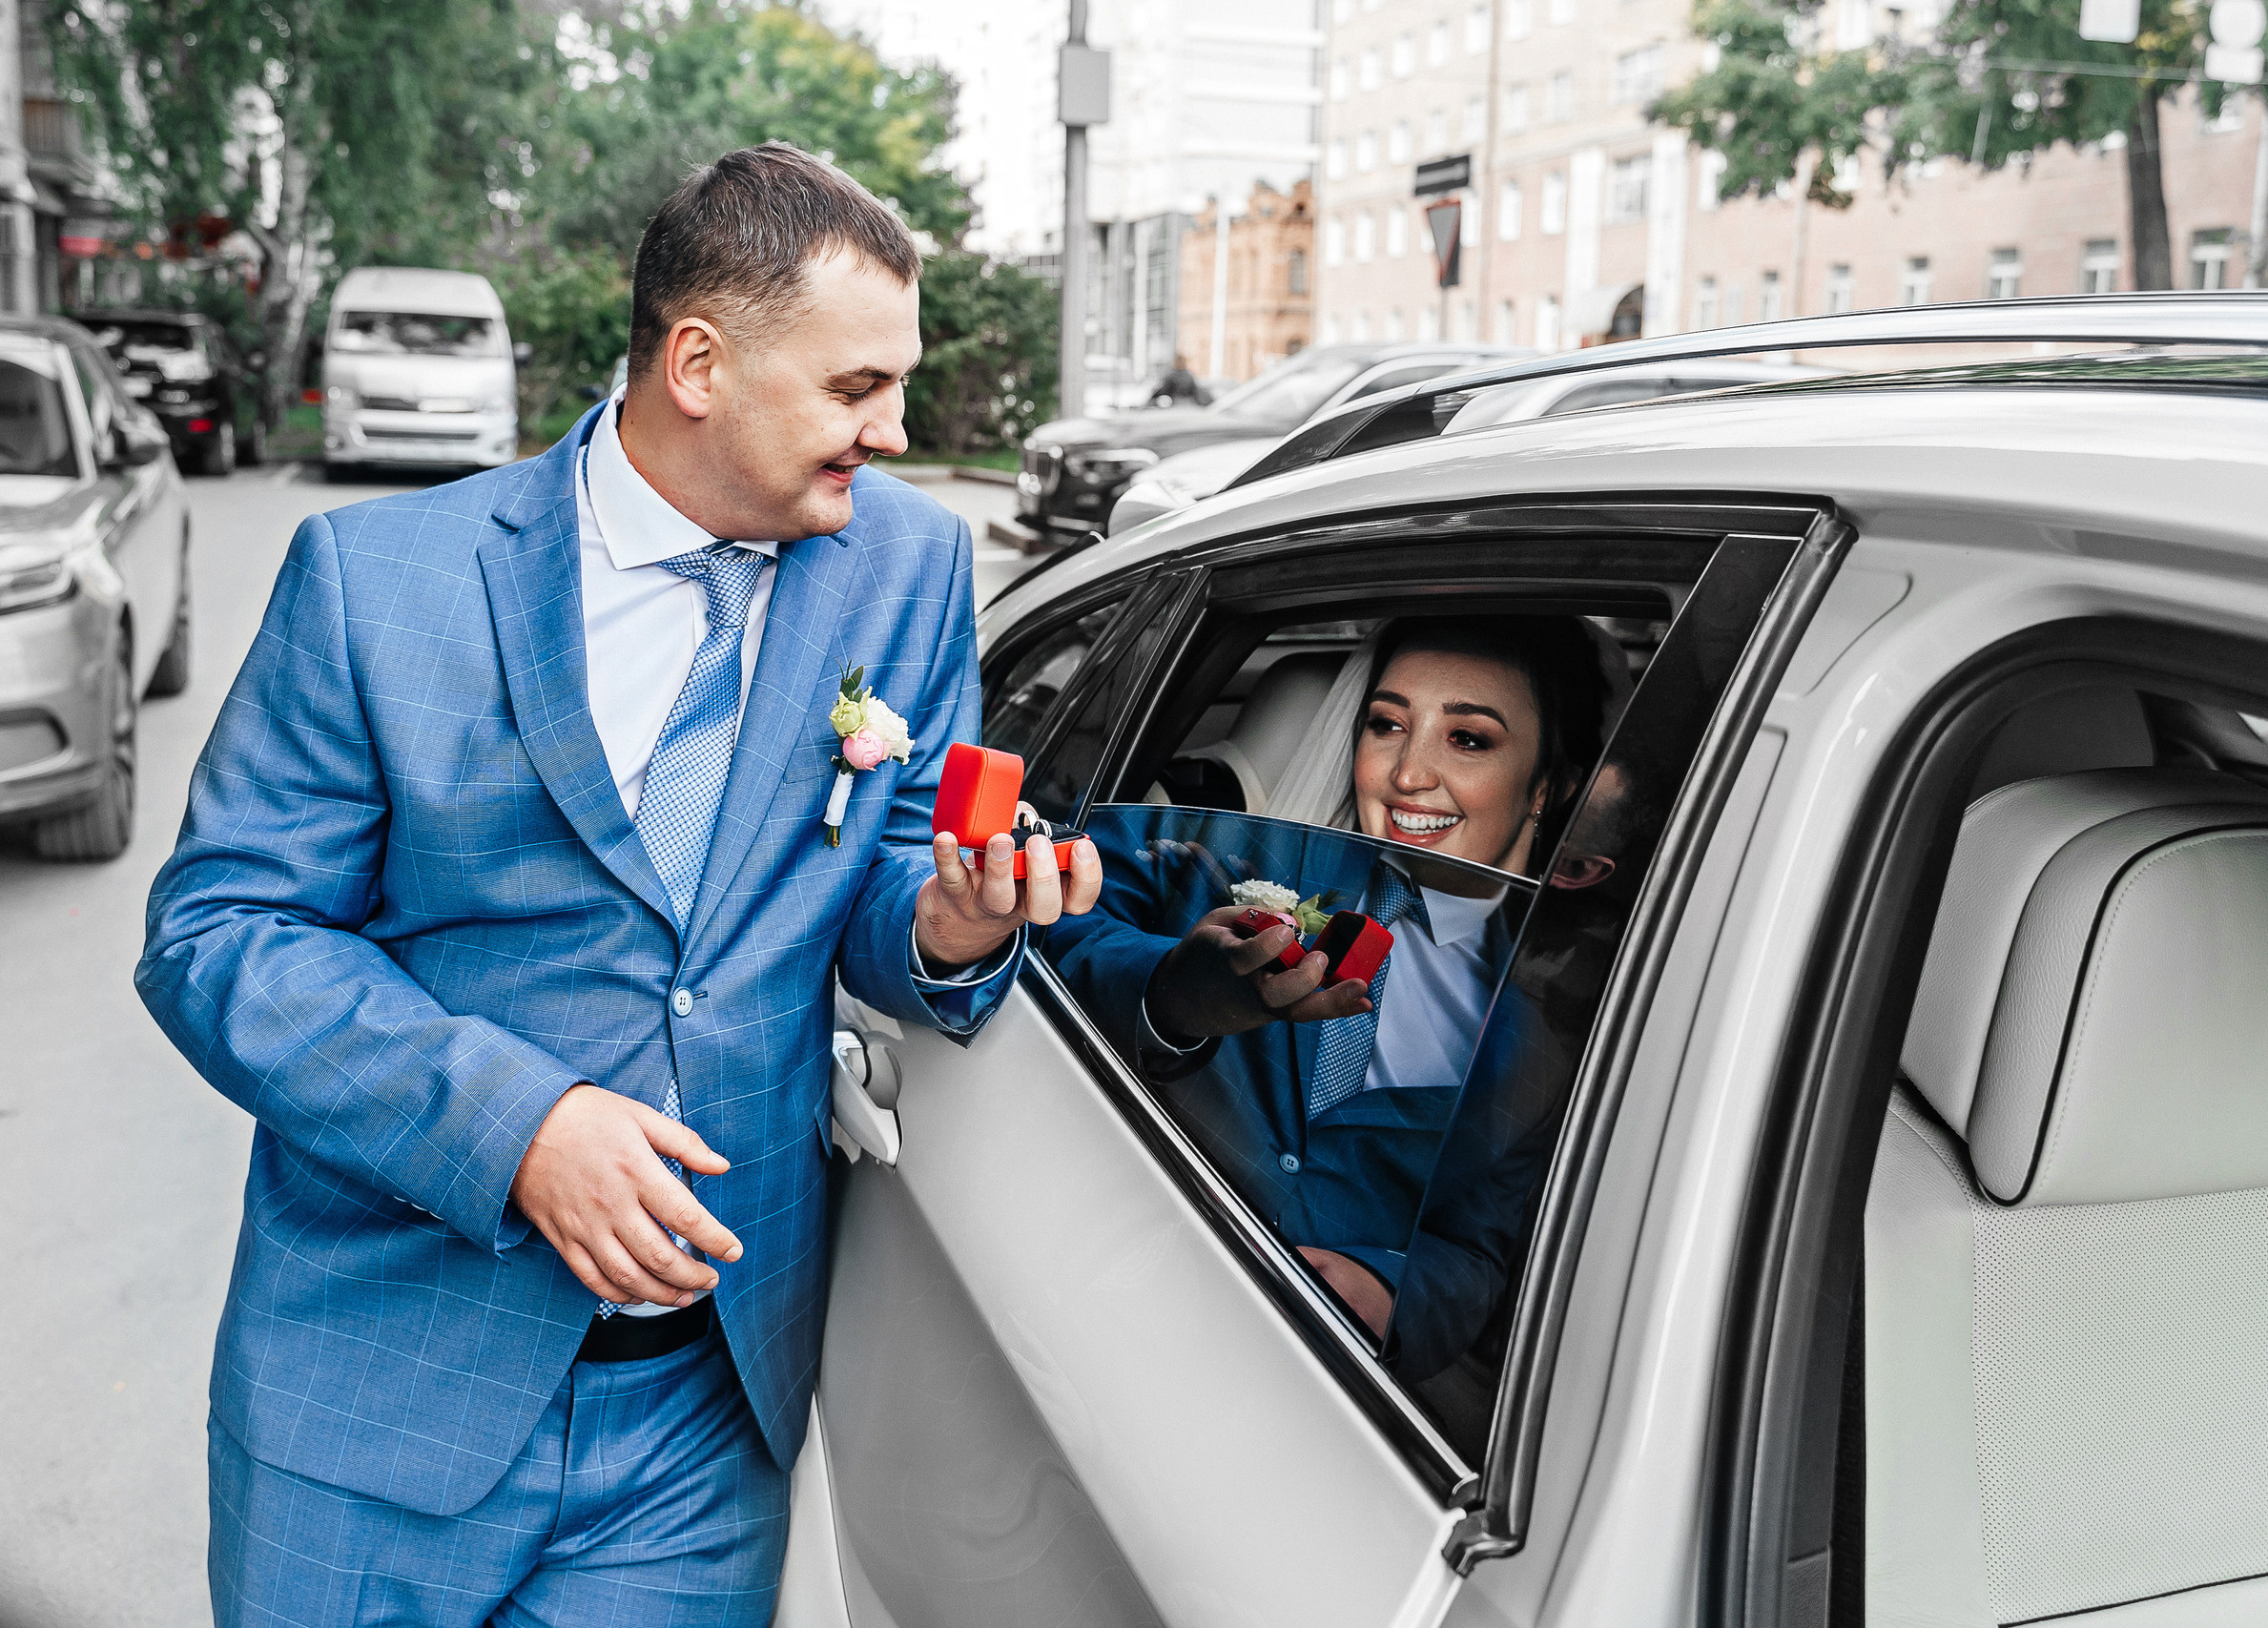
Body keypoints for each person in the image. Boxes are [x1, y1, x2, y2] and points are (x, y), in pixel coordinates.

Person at [135, 143, 1102, 1624]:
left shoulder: (907, 568)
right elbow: (221, 935)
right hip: (379, 1391)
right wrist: (516, 1126)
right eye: (857, 389)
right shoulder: (375, 580)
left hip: (700, 1416)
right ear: (699, 363)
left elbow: (884, 865)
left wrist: (946, 921)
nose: (897, 431)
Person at [1045, 616, 1605, 1336]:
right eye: (1386, 724)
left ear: (1547, 786)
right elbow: (1050, 908)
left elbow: (1477, 1253)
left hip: (1313, 1379)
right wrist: (1168, 992)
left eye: (1468, 738)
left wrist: (1389, 1292)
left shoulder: (1550, 1029)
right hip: (1086, 1276)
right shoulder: (1223, 848)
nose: (1407, 774)